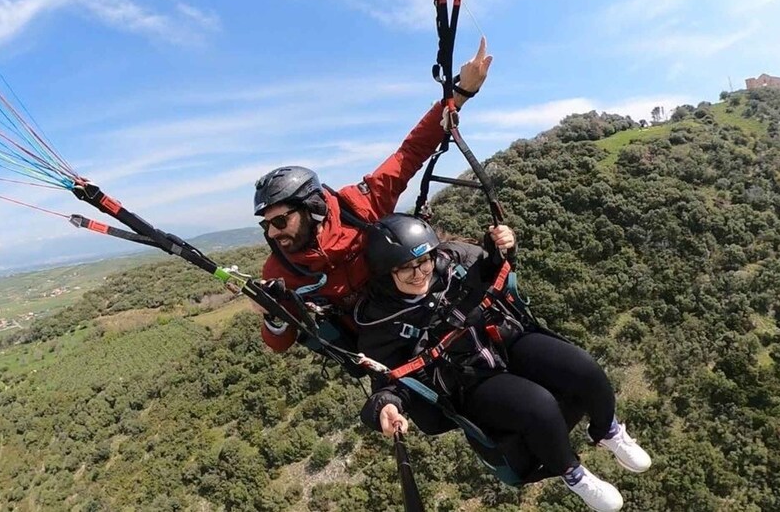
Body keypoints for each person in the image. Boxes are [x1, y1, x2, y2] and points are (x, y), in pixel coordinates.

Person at [354, 214, 652, 512]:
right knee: (540, 406)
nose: (419, 274)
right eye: (406, 269)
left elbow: (495, 266)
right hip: (469, 377)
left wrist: (503, 245)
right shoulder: (380, 321)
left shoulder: (454, 260)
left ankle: (607, 430)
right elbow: (388, 379)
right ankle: (572, 473)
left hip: (504, 338)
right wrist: (385, 407)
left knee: (584, 368)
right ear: (385, 274)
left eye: (424, 262)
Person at [250, 38, 493, 354]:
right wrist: (272, 315)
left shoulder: (359, 205)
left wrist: (460, 94)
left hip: (425, 302)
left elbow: (410, 153)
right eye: (266, 225)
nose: (272, 232)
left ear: (312, 208)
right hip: (385, 343)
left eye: (280, 220)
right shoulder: (280, 271)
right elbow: (280, 343)